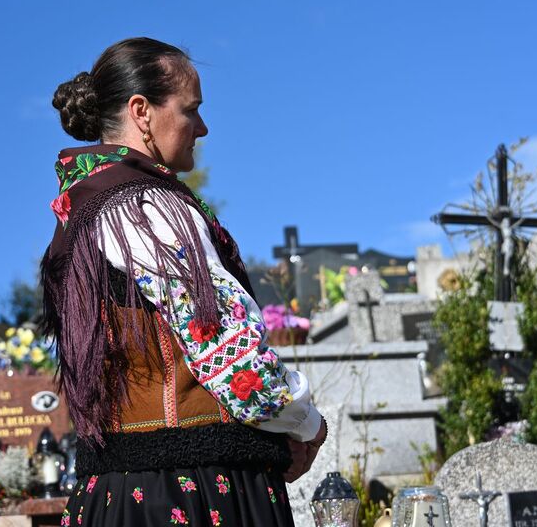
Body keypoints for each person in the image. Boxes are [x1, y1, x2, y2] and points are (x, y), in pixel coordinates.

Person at [40, 37, 326, 527]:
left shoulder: (83, 212)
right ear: (141, 111)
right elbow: (234, 360)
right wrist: (306, 424)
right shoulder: (145, 207)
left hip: (119, 491)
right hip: (189, 489)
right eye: (190, 110)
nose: (202, 127)